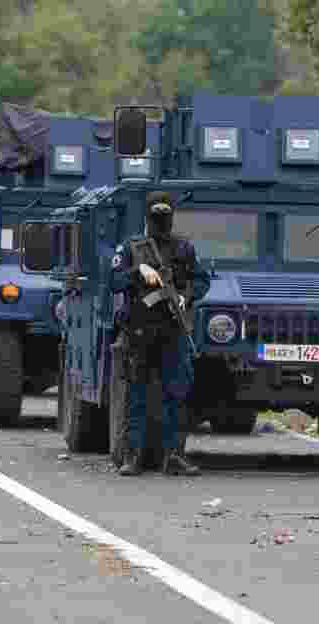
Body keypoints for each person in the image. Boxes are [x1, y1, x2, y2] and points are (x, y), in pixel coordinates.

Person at [109, 191, 211, 476]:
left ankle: (174, 455)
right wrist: (137, 270)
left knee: (176, 393)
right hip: (140, 330)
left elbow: (202, 280)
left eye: (165, 216)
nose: (161, 221)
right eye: (156, 216)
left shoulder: (184, 248)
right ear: (147, 216)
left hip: (172, 329)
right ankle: (132, 456)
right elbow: (114, 282)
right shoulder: (131, 247)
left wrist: (184, 297)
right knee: (137, 393)